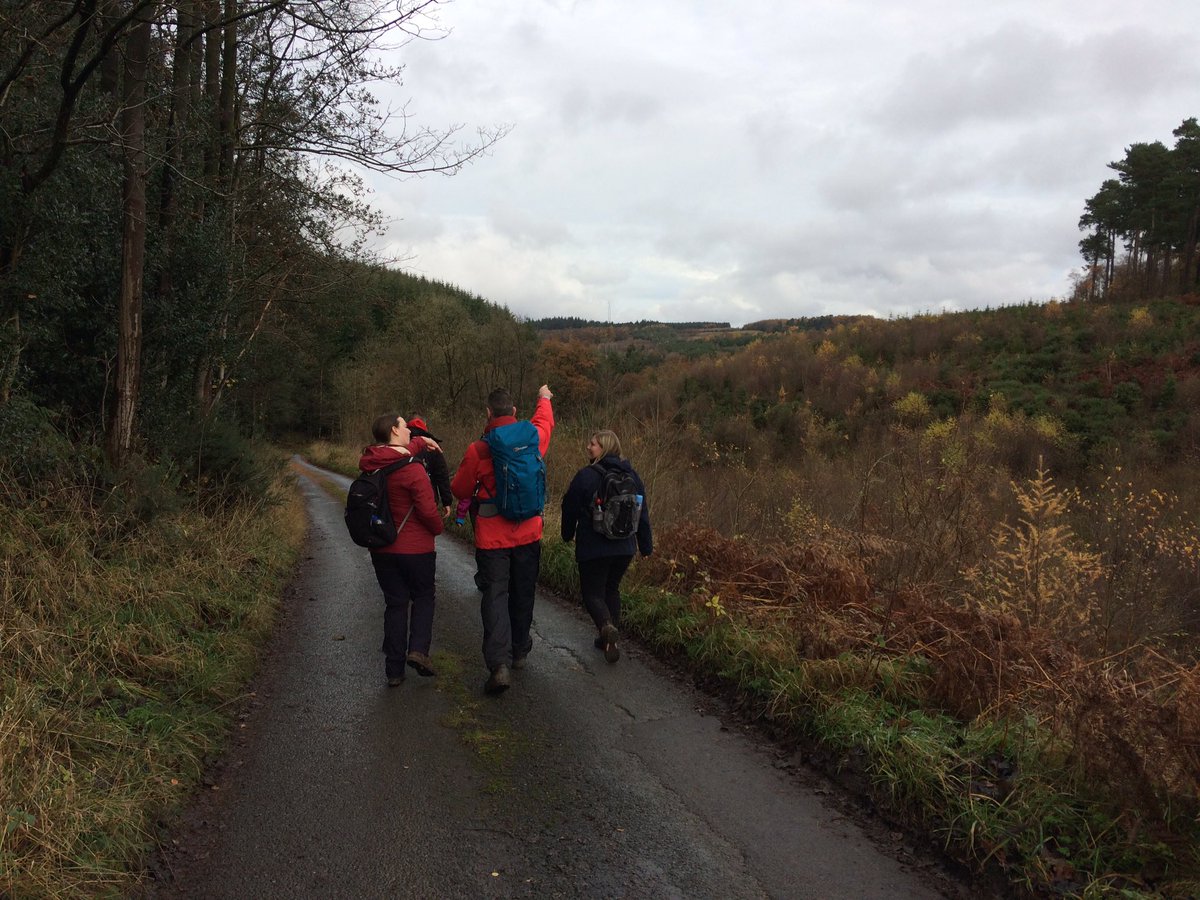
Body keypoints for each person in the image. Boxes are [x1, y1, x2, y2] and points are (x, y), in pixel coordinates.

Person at [451, 385, 555, 695]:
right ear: (514, 412)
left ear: (488, 413)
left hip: (492, 539)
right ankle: (520, 650)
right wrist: (544, 398)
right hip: (529, 533)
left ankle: (498, 665)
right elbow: (545, 422)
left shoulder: (478, 450)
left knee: (495, 595)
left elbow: (460, 489)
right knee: (523, 591)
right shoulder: (532, 438)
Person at [359, 413, 446, 686]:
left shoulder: (371, 465)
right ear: (395, 431)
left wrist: (423, 443)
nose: (410, 430)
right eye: (405, 426)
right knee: (423, 596)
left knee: (395, 604)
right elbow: (428, 511)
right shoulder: (412, 469)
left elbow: (401, 451)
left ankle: (394, 670)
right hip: (417, 549)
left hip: (382, 549)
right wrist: (438, 528)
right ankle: (418, 650)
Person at [560, 429, 652, 663]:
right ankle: (609, 640)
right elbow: (642, 512)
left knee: (592, 593)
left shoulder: (586, 476)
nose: (588, 447)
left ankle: (605, 626)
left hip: (594, 547)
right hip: (625, 547)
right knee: (611, 590)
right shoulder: (633, 476)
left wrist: (567, 534)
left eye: (593, 444)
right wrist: (645, 546)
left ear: (604, 448)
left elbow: (569, 506)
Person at [408, 414, 453, 519]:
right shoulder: (432, 445)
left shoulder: (401, 443)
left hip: (404, 498)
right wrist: (446, 501)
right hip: (428, 497)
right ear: (425, 425)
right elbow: (442, 474)